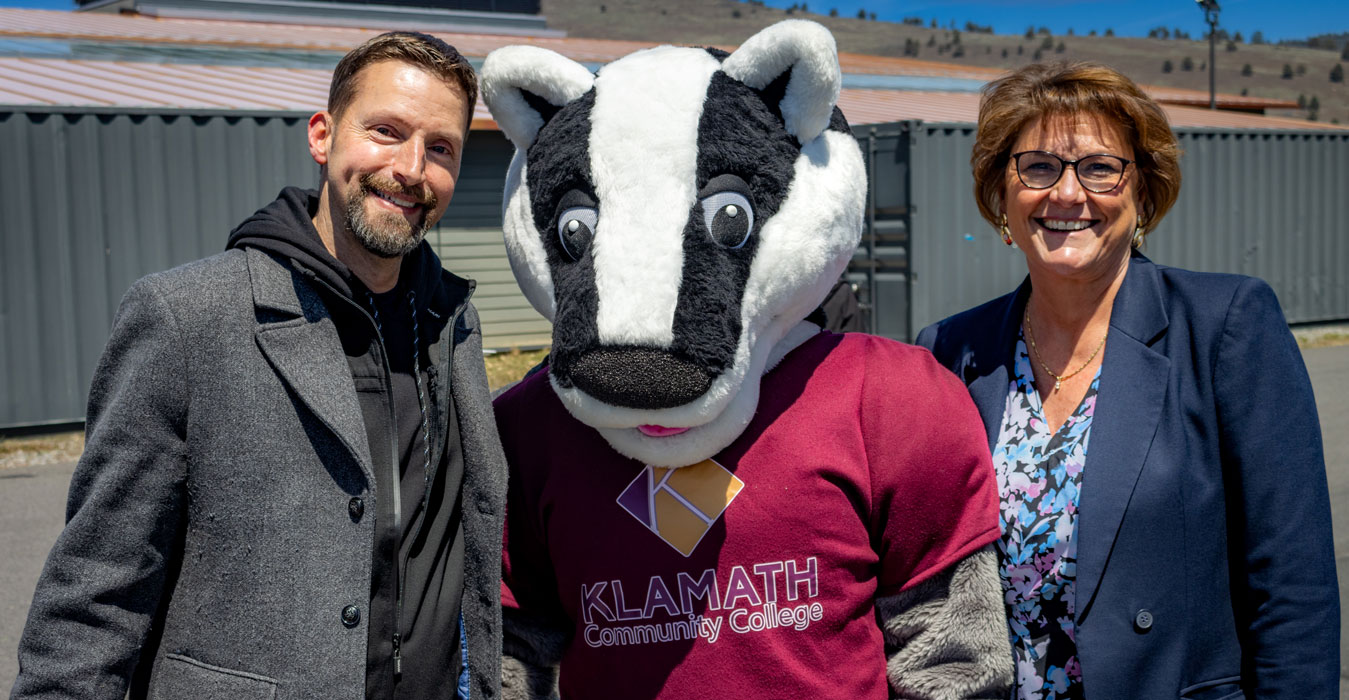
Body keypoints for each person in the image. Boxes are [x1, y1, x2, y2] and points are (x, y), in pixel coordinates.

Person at [12, 31, 506, 700]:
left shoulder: (454, 324)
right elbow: (96, 594)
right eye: (386, 131)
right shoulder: (188, 318)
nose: (411, 168)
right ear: (322, 136)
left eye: (440, 147)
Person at [917, 61, 1338, 699]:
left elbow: (1292, 587)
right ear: (1001, 195)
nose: (1066, 193)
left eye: (1099, 167)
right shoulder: (951, 350)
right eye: (1038, 167)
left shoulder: (1226, 327)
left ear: (1142, 192)